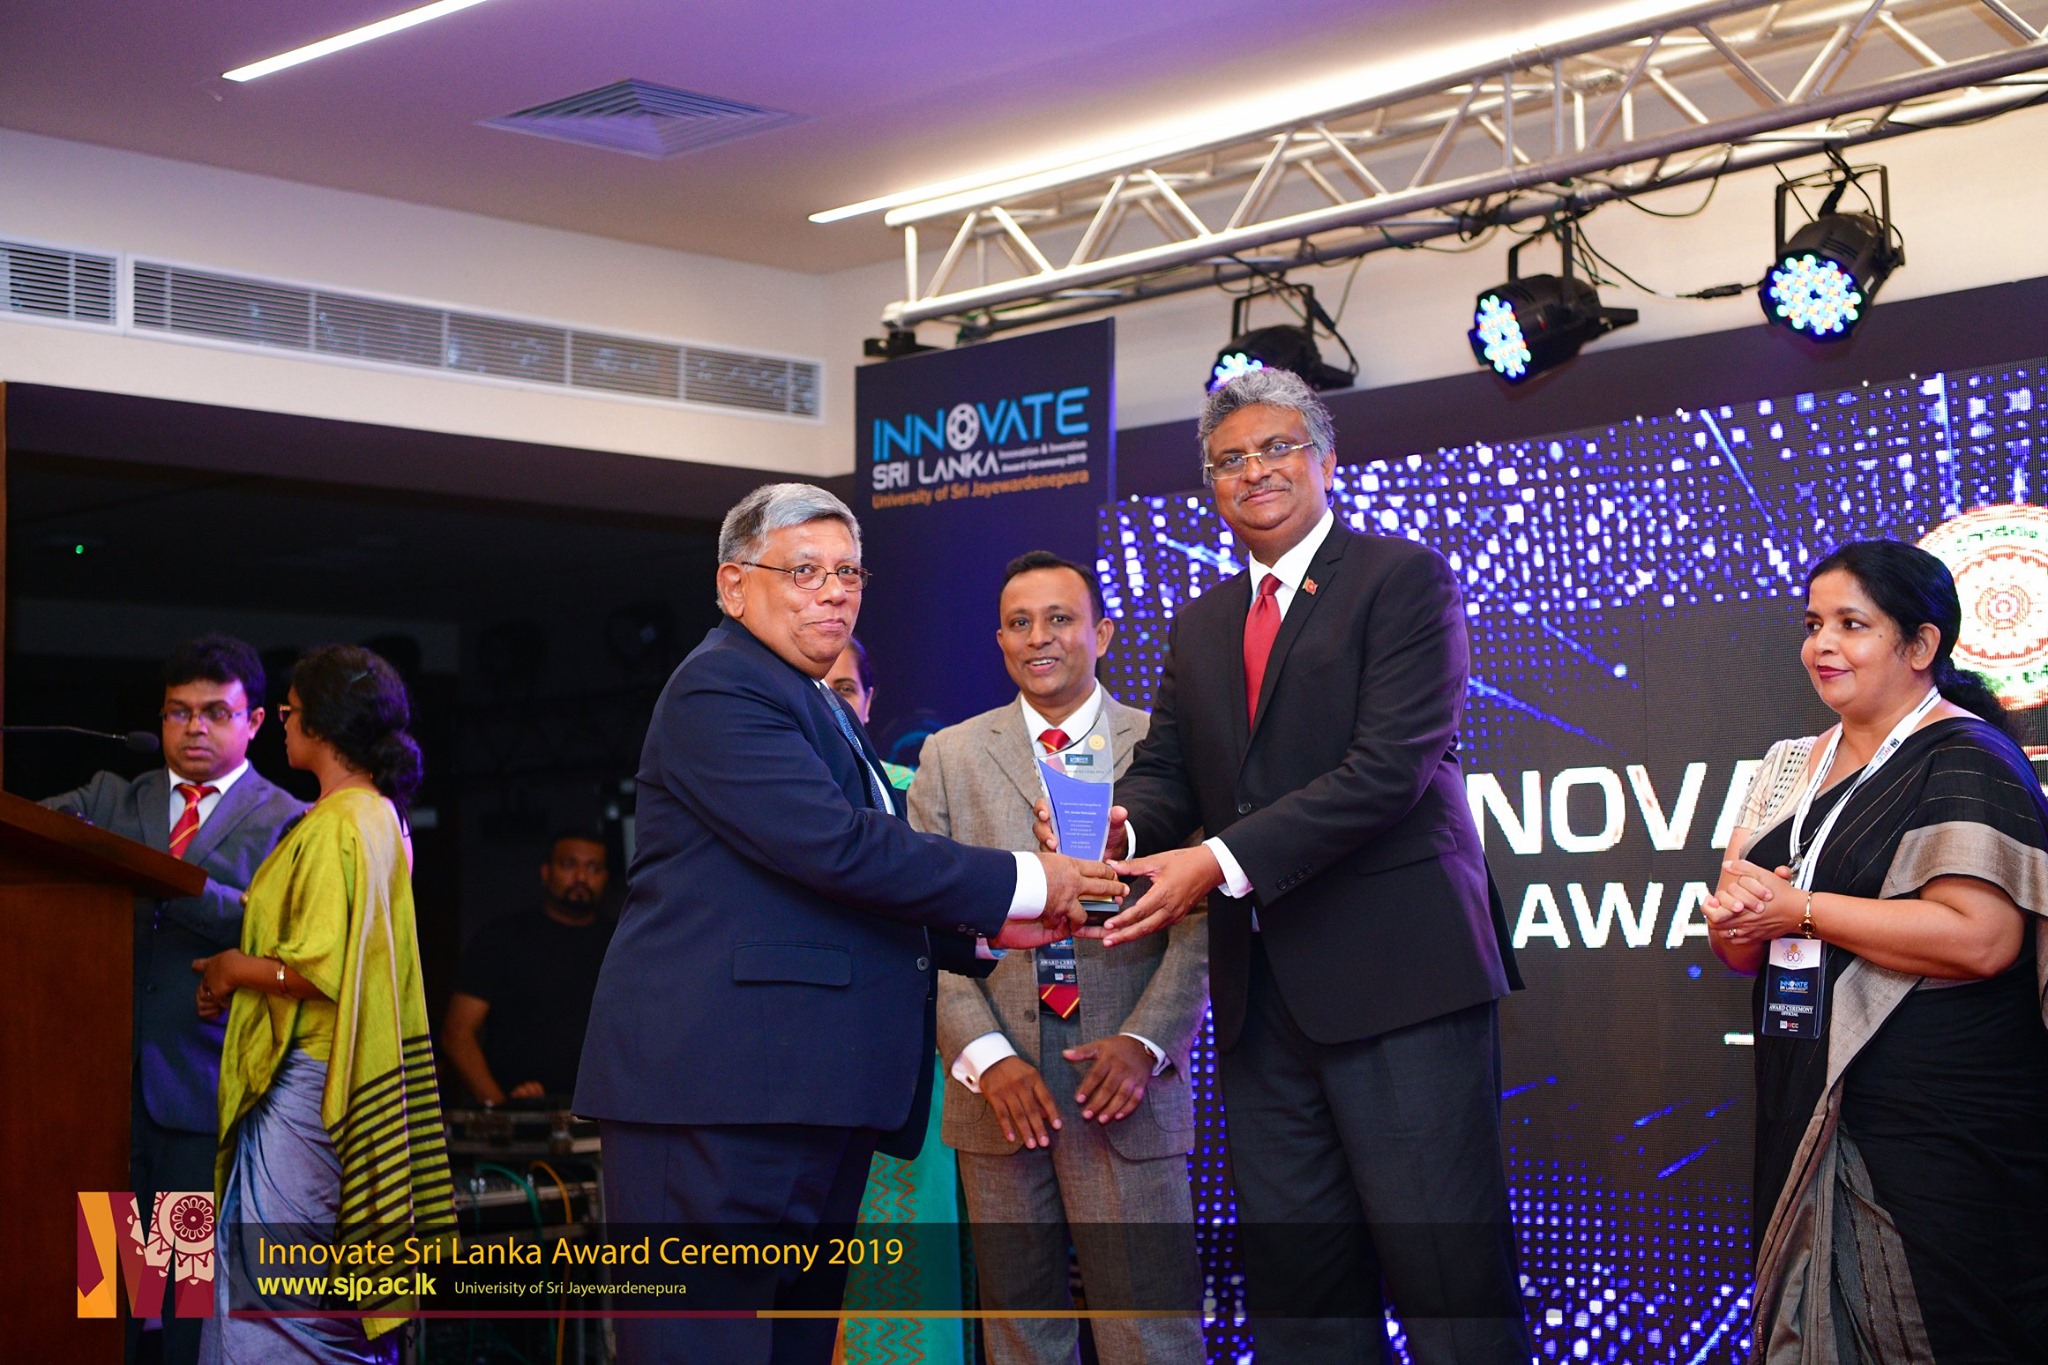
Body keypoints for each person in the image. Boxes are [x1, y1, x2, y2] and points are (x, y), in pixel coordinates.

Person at [572, 482, 1125, 1365]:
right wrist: (1031, 879)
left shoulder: (816, 698)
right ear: (733, 585)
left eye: (849, 573)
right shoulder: (720, 686)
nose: (834, 591)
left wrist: (983, 935)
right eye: (805, 571)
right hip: (718, 1097)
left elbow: (831, 891)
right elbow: (838, 848)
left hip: (801, 1094)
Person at [1049, 368, 1529, 1361]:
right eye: (1229, 460)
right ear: (1212, 487)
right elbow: (1168, 768)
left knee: (1448, 1287)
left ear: (1324, 460)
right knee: (1301, 1299)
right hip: (1263, 1001)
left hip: (1402, 986)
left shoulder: (1402, 580)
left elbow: (1386, 771)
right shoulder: (1201, 622)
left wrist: (1212, 861)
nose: (1254, 471)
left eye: (1275, 448)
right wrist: (1120, 835)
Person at [1707, 540, 2048, 1362]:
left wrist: (1801, 910)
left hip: (1937, 1108)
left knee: (1945, 1326)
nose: (1822, 645)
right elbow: (1739, 946)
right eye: (1813, 624)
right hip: (1806, 1090)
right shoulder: (1787, 766)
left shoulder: (1967, 755)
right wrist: (1739, 922)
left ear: (1920, 644)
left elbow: (1983, 937)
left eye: (1851, 624)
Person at [914, 550, 1208, 1365]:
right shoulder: (950, 757)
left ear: (1101, 633)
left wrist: (1146, 1041)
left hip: (1126, 1088)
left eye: (1059, 618)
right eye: (1019, 623)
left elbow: (1203, 918)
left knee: (1152, 1333)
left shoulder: (1164, 747)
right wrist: (985, 1056)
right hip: (998, 1092)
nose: (1038, 637)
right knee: (1019, 1336)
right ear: (1000, 641)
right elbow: (920, 922)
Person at [42, 633, 304, 1365]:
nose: (193, 728)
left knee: (187, 1306)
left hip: (201, 1090)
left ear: (254, 721)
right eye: (178, 712)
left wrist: (167, 879)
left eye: (214, 712)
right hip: (107, 1090)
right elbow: (29, 833)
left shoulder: (287, 819)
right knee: (111, 1305)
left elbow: (276, 935)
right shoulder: (112, 796)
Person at [194, 645, 455, 1364]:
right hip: (303, 1074)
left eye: (289, 710)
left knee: (275, 1299)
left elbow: (322, 969)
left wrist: (232, 967)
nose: (283, 722)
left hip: (308, 1077)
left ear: (323, 722)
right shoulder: (371, 815)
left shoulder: (348, 819)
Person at [442, 829, 615, 1104]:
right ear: (546, 872)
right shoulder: (501, 938)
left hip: (607, 1114)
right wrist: (501, 1108)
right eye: (569, 865)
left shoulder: (622, 944)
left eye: (593, 868)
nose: (581, 877)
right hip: (521, 1115)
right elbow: (457, 1033)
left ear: (606, 878)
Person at [825, 634, 916, 789]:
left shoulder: (903, 787)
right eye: (815, 688)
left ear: (867, 702)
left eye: (845, 689)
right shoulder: (784, 782)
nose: (829, 703)